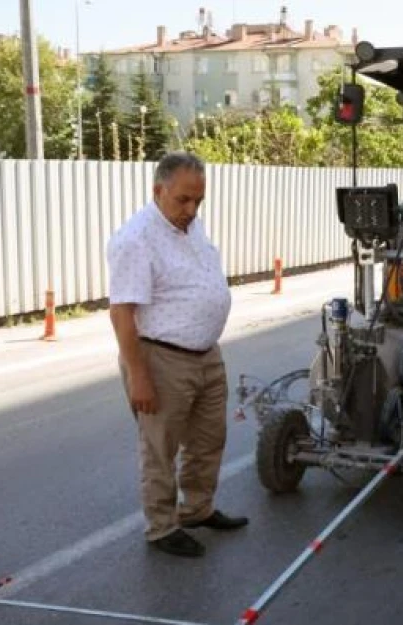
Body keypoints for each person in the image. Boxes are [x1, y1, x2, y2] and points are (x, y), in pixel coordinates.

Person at [106, 152, 248, 559]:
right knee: (160, 449)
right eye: (183, 200)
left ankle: (197, 510)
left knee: (208, 441)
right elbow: (121, 312)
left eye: (198, 201)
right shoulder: (135, 240)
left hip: (205, 354)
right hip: (161, 358)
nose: (191, 209)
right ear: (158, 191)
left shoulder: (189, 224)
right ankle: (162, 527)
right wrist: (139, 375)